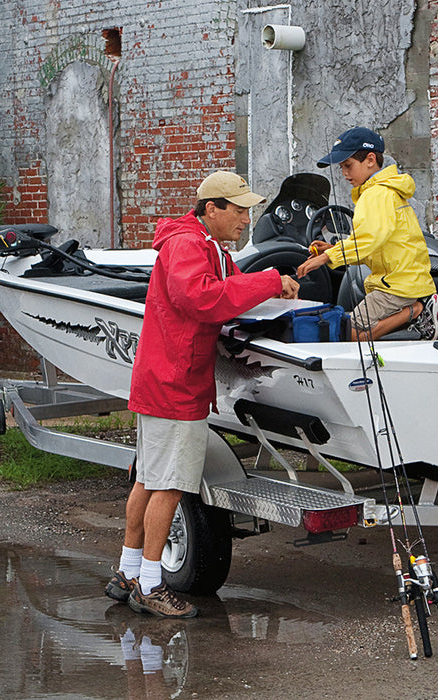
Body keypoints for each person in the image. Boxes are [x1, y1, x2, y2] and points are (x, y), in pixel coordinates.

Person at [105, 171, 300, 618]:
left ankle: (128, 572)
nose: (246, 219)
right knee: (171, 486)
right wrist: (270, 282)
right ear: (212, 208)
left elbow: (229, 286)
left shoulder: (203, 243)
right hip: (176, 385)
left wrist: (276, 281)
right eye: (240, 210)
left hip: (165, 380)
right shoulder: (189, 245)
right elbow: (202, 298)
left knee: (149, 480)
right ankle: (150, 585)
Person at [296, 127, 438, 341]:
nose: (344, 173)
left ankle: (419, 310)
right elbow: (375, 245)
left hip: (397, 286)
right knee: (356, 327)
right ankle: (420, 309)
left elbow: (368, 240)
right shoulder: (386, 190)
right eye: (341, 167)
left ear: (370, 159)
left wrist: (328, 257)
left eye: (348, 165)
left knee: (350, 334)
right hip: (407, 280)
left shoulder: (375, 194)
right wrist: (333, 249)